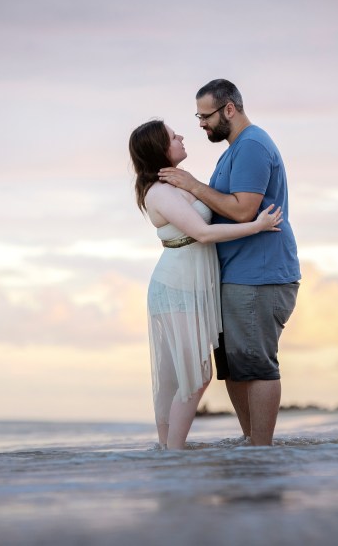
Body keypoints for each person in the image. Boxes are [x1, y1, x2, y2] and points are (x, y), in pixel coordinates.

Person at [158, 79, 300, 446]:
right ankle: (251, 443)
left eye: (205, 116)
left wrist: (193, 185)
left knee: (255, 363)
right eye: (198, 117)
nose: (201, 124)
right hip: (238, 274)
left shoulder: (251, 146)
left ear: (229, 110)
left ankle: (261, 449)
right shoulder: (234, 150)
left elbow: (243, 210)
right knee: (235, 367)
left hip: (259, 274)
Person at [129, 119, 284, 450]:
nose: (182, 136)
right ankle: (173, 453)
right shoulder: (159, 192)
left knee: (186, 374)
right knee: (193, 376)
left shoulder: (180, 185)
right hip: (176, 288)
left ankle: (169, 452)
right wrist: (256, 226)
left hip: (195, 285)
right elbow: (202, 233)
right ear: (159, 148)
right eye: (173, 136)